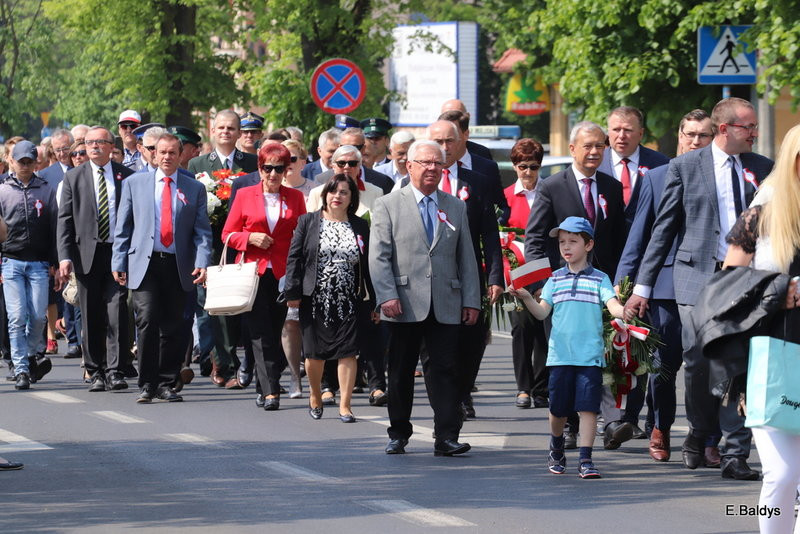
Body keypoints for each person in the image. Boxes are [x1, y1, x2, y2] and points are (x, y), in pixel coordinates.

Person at [624, 97, 773, 480]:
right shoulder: (685, 167)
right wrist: (641, 287)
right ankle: (699, 432)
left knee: (739, 361)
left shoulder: (763, 169)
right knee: (698, 362)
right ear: (725, 130)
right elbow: (663, 230)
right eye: (748, 127)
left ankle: (733, 451)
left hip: (747, 280)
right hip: (696, 280)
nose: (755, 133)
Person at [369, 139, 480, 456]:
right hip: (402, 301)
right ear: (410, 165)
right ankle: (399, 433)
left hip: (446, 301)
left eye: (438, 164)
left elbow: (466, 258)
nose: (433, 168)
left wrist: (471, 300)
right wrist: (386, 294)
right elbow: (379, 256)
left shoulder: (455, 205)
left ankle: (446, 436)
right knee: (401, 370)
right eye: (427, 162)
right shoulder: (388, 204)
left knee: (445, 370)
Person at [615, 109, 715, 462]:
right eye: (689, 134)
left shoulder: (719, 177)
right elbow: (639, 236)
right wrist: (624, 287)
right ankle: (660, 426)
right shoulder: (656, 177)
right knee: (662, 367)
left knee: (709, 365)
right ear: (678, 136)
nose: (695, 141)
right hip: (665, 288)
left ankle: (708, 437)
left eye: (703, 135)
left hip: (709, 288)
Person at [723, 124, 800, 533]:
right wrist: (777, 292)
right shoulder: (760, 219)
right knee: (784, 476)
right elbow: (725, 291)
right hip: (773, 359)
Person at [510, 216, 625, 479]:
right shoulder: (554, 280)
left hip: (590, 357)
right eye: (562, 242)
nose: (566, 247)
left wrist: (624, 311)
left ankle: (585, 459)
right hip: (560, 357)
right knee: (558, 410)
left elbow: (613, 306)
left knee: (588, 409)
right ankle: (556, 445)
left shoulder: (600, 279)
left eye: (573, 241)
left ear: (588, 245)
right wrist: (527, 296)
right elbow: (541, 314)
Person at [111, 132, 212, 403]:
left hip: (179, 264)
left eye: (172, 153)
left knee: (175, 324)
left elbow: (202, 232)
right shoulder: (135, 184)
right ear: (154, 155)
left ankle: (167, 382)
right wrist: (118, 261)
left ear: (181, 156)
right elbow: (123, 227)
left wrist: (202, 262)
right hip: (145, 263)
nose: (167, 157)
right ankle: (147, 383)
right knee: (147, 319)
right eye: (162, 152)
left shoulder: (194, 188)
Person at [222, 143, 306, 411]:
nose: (272, 174)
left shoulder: (295, 198)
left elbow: (302, 236)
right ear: (259, 168)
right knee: (260, 333)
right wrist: (249, 238)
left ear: (286, 170)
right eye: (267, 168)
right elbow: (227, 235)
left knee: (276, 329)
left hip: (283, 273)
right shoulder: (245, 194)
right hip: (252, 271)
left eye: (278, 168)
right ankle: (271, 391)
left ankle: (263, 384)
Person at [285, 174, 374, 422]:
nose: (338, 197)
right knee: (314, 353)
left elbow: (367, 265)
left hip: (349, 298)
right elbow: (294, 258)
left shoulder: (359, 226)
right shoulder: (308, 222)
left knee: (348, 351)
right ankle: (315, 395)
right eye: (333, 191)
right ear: (325, 195)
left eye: (344, 192)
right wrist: (292, 292)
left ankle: (345, 405)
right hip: (315, 298)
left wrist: (374, 299)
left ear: (352, 198)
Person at [57, 126, 135, 392]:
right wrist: (65, 257)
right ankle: (95, 370)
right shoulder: (74, 178)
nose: (93, 147)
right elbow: (65, 220)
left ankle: (115, 370)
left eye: (99, 142)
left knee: (117, 313)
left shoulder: (127, 176)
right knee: (90, 316)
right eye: (89, 142)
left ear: (111, 147)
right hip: (86, 255)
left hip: (117, 254)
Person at [189, 110, 258, 387]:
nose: (226, 132)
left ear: (240, 132)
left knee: (243, 304)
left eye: (231, 128)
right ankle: (224, 364)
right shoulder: (197, 164)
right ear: (212, 130)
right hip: (211, 243)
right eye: (221, 127)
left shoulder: (252, 163)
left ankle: (245, 363)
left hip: (243, 243)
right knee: (214, 306)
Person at [0, 141, 58, 390]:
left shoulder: (46, 189)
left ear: (36, 163)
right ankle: (21, 368)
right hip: (11, 261)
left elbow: (56, 227)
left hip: (39, 263)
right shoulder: (2, 190)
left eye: (29, 162)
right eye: (20, 161)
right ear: (11, 161)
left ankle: (33, 353)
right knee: (16, 317)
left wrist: (56, 262)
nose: (25, 166)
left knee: (36, 316)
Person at [501, 138, 549, 409]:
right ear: (514, 166)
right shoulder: (506, 196)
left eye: (533, 166)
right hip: (516, 274)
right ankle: (523, 388)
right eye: (522, 166)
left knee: (544, 329)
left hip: (545, 274)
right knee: (521, 329)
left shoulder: (549, 191)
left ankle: (542, 388)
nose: (528, 172)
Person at [597, 106, 669, 221]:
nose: (621, 136)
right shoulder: (596, 164)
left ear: (641, 133)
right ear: (608, 133)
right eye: (616, 130)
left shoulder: (661, 164)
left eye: (628, 130)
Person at [315, 127, 394, 194]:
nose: (349, 151)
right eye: (345, 147)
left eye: (355, 147)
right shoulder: (323, 180)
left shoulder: (382, 182)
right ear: (339, 148)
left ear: (363, 149)